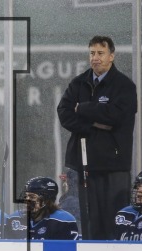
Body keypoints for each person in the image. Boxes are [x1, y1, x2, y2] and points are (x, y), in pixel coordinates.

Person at [57, 35, 137, 240]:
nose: (95, 58)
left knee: (114, 223)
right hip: (83, 165)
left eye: (100, 53)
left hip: (113, 165)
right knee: (89, 223)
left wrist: (83, 108)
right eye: (92, 53)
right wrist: (94, 124)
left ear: (111, 56)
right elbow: (65, 113)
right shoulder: (78, 83)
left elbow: (117, 116)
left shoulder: (124, 86)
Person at [5, 177, 79, 240]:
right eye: (26, 196)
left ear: (46, 200)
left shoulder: (63, 220)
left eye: (32, 197)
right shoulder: (14, 218)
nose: (26, 200)